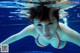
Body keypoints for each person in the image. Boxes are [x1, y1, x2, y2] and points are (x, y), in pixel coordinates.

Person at [0, 4, 80, 49]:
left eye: (50, 23)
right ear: (34, 24)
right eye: (39, 25)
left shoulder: (65, 32)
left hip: (60, 40)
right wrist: (3, 50)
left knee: (65, 27)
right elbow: (15, 37)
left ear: (58, 21)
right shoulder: (31, 29)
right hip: (44, 41)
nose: (45, 31)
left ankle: (65, 22)